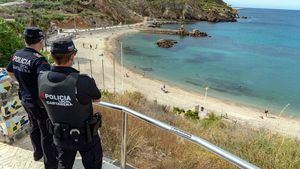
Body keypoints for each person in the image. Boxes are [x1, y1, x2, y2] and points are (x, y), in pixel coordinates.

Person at [38, 38, 103, 169]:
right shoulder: (82, 81)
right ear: (72, 55)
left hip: (60, 137)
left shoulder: (41, 78)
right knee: (93, 165)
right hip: (87, 137)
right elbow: (97, 98)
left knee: (63, 165)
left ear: (52, 55)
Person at [6, 27, 57, 169]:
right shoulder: (39, 61)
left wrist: (22, 83)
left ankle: (37, 153)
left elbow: (9, 70)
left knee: (33, 125)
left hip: (24, 98)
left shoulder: (17, 54)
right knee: (46, 132)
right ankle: (51, 164)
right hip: (38, 103)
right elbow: (48, 82)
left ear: (25, 40)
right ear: (41, 41)